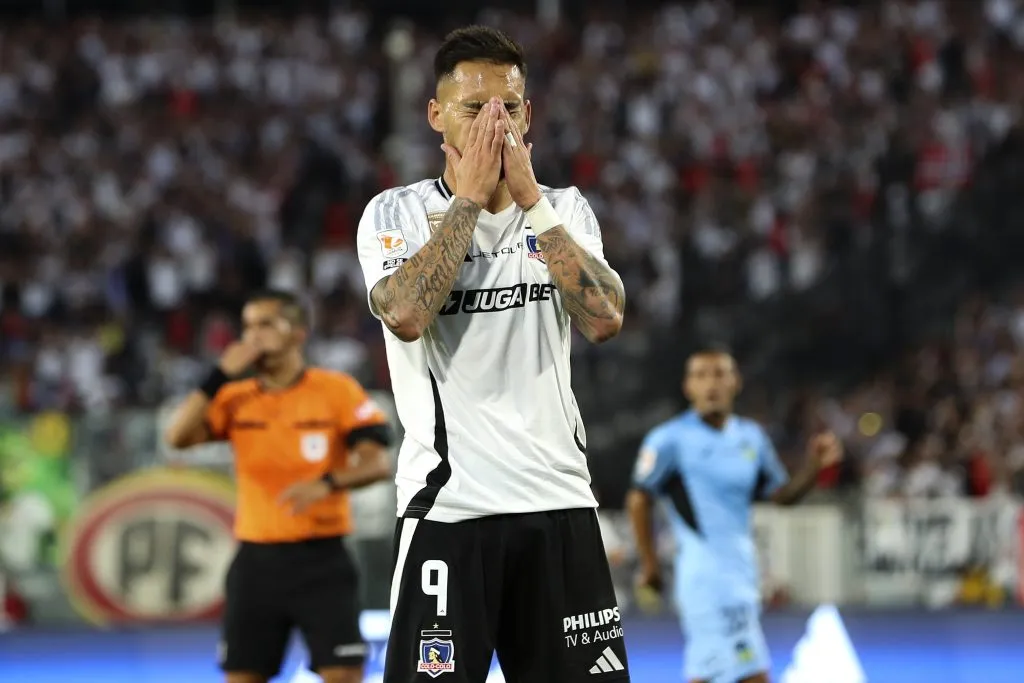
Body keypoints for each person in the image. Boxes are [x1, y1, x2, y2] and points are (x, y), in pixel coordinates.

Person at [354, 25, 630, 683]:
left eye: (508, 105)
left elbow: (605, 317)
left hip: (559, 503)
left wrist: (530, 199)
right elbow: (408, 313)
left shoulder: (563, 209)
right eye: (474, 108)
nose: (493, 122)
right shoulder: (396, 213)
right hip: (450, 510)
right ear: (436, 115)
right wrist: (473, 198)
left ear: (528, 113)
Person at [164, 289, 394, 683]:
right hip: (256, 563)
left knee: (343, 674)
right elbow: (177, 438)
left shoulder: (335, 390)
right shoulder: (235, 397)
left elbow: (377, 463)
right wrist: (218, 375)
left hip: (322, 560)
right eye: (248, 326)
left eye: (266, 324)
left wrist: (327, 481)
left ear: (298, 332)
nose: (253, 336)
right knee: (243, 676)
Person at [626, 348, 842, 683]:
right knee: (750, 674)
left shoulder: (750, 437)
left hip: (742, 574)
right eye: (700, 375)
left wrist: (813, 469)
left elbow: (780, 496)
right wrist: (650, 564)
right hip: (706, 580)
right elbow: (639, 499)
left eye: (719, 374)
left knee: (718, 674)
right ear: (687, 387)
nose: (711, 383)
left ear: (736, 382)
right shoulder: (670, 439)